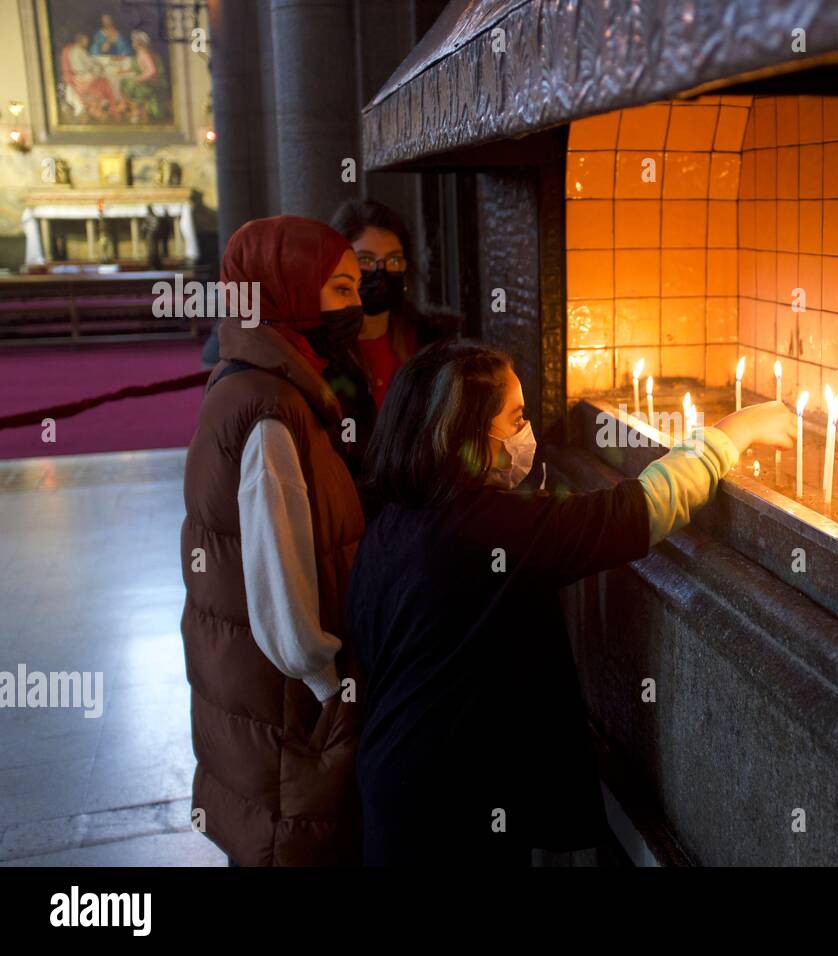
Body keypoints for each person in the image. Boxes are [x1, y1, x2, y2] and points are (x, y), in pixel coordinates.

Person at [346, 342, 796, 865]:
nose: (526, 433)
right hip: (444, 811)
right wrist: (732, 432)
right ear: (469, 434)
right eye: (515, 418)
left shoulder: (397, 521)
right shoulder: (478, 530)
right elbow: (633, 513)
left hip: (401, 785)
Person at [179, 215, 369, 866]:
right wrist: (329, 689)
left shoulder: (261, 380)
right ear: (286, 289)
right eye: (341, 289)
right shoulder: (269, 407)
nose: (358, 306)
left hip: (264, 705)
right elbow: (277, 574)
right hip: (288, 708)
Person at [328, 199, 457, 409]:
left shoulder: (429, 340)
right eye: (366, 260)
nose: (382, 271)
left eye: (394, 260)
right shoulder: (322, 351)